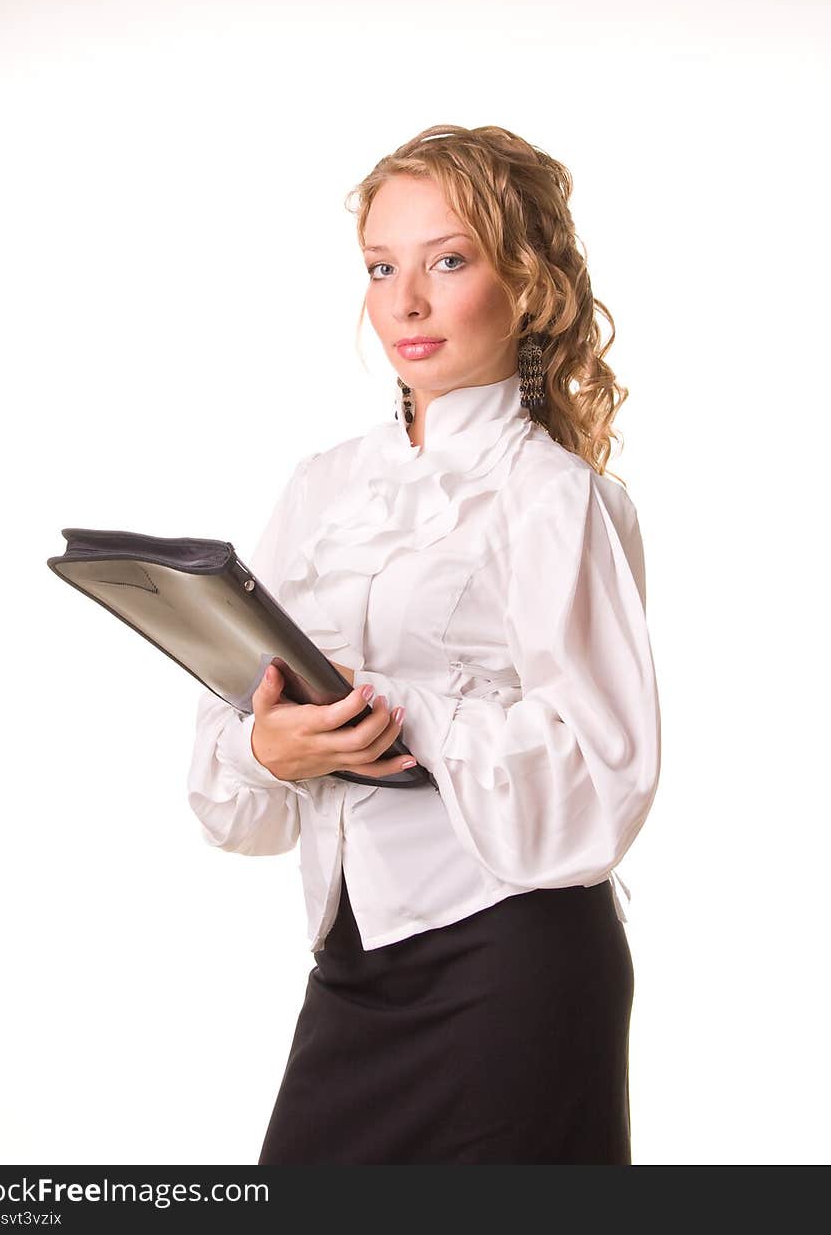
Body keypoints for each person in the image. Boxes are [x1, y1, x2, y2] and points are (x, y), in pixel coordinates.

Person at [187, 123, 662, 1165]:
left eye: (447, 261)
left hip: (510, 965)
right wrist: (272, 748)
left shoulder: (557, 499)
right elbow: (232, 757)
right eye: (380, 266)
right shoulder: (320, 484)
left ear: (527, 285)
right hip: (355, 964)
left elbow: (601, 776)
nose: (404, 301)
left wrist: (396, 707)